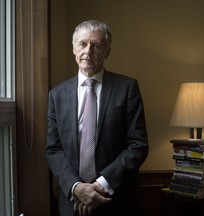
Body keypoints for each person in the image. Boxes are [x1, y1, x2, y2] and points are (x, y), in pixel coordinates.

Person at [45, 20, 149, 216]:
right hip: (72, 203)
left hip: (117, 201)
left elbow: (138, 145)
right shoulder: (56, 95)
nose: (88, 51)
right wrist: (76, 187)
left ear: (107, 51)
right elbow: (53, 149)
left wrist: (100, 185)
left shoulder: (127, 88)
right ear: (74, 49)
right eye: (82, 44)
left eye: (97, 45)